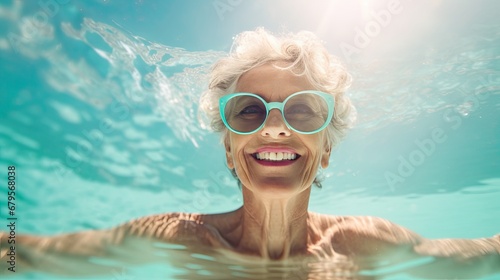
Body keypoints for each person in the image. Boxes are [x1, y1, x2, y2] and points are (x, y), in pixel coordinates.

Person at [1, 28, 499, 278]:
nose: (276, 130)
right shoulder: (185, 239)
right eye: (248, 112)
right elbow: (26, 254)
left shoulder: (361, 245)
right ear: (227, 147)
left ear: (326, 149)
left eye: (303, 112)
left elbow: (482, 257)